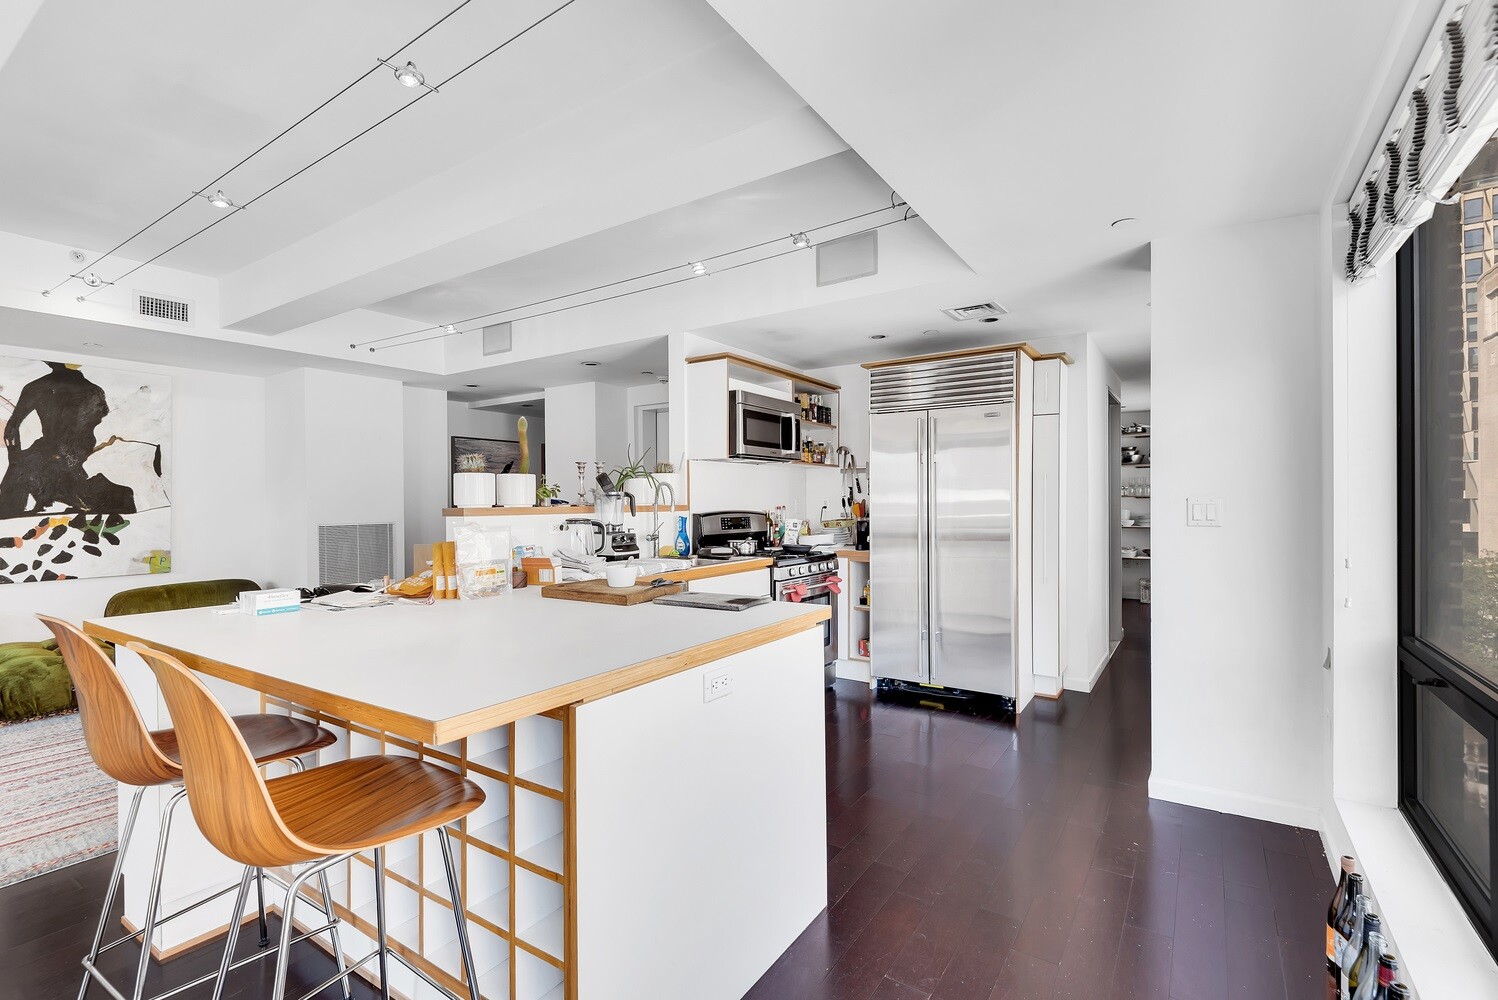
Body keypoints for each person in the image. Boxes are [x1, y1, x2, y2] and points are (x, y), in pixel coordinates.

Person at [0, 362, 135, 517]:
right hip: (73, 450)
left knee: (19, 478)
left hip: (58, 450)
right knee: (27, 474)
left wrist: (15, 459)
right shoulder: (94, 390)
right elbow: (12, 429)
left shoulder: (35, 387)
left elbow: (11, 429)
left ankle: (111, 497)